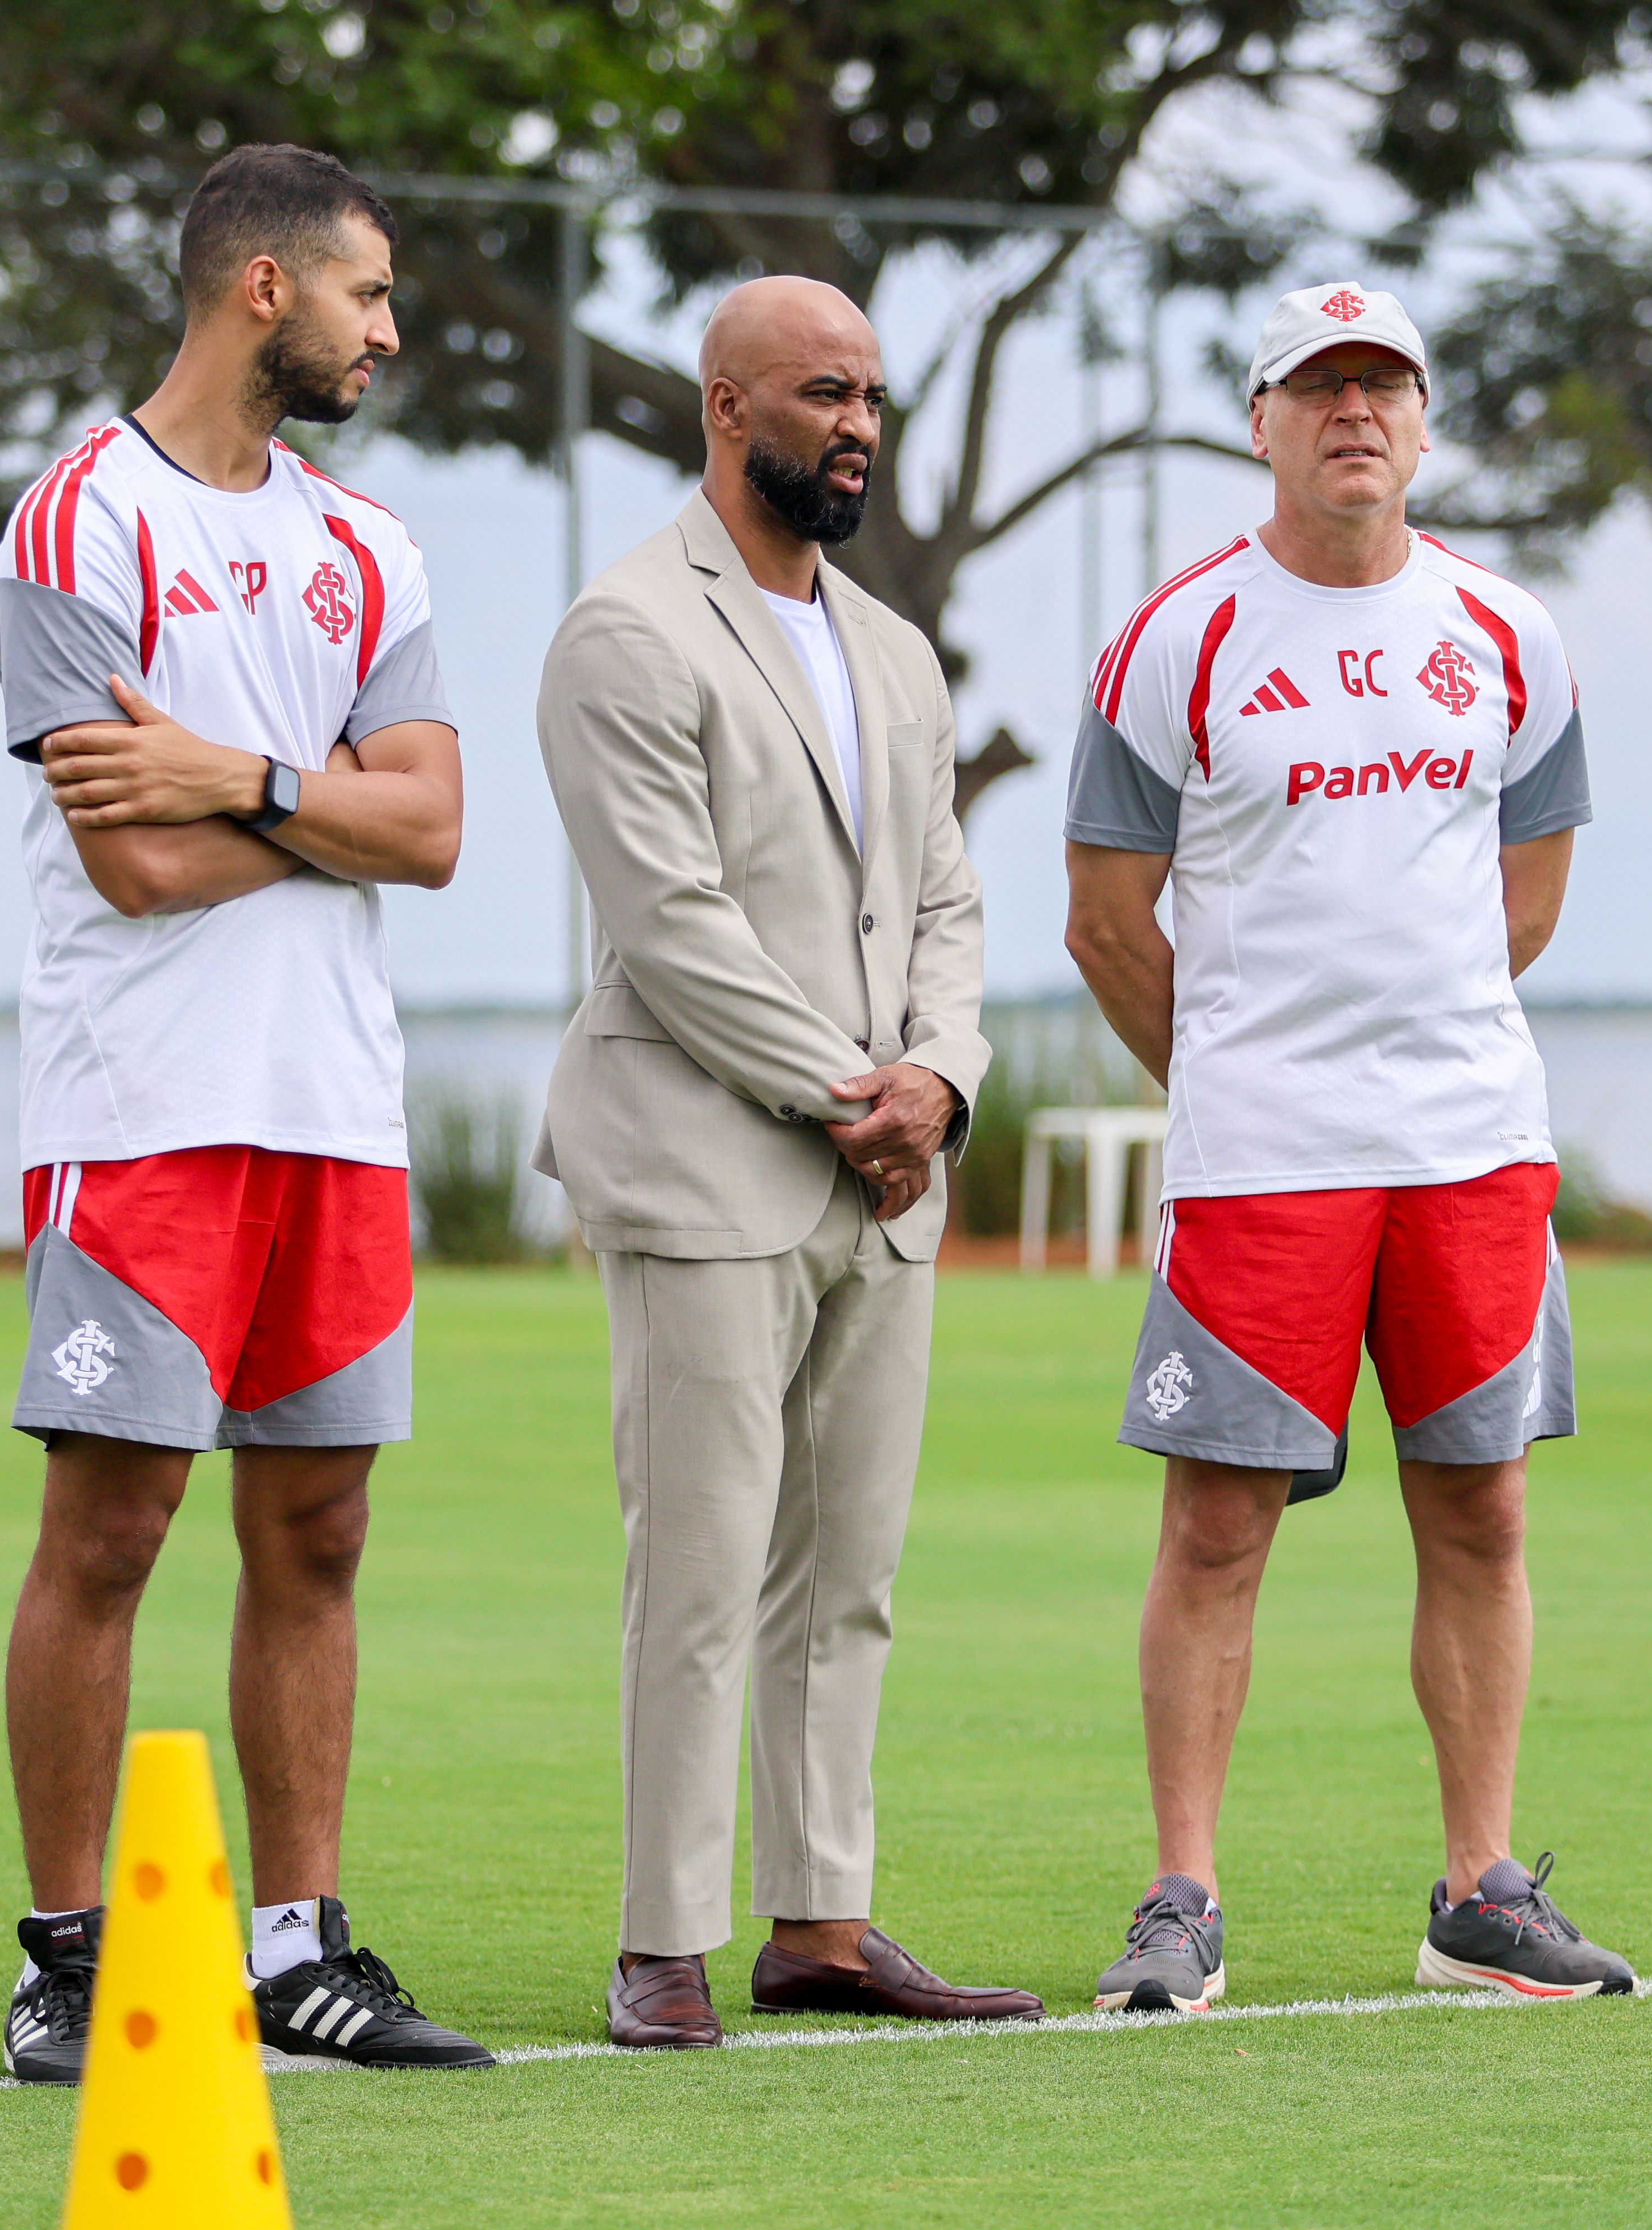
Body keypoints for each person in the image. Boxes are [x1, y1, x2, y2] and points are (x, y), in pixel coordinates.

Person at [1062, 280, 1632, 2013]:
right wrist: (1245, 1073)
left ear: (1423, 422)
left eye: (1383, 384)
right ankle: (1180, 1897)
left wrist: (1408, 1044)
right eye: (1317, 387)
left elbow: (1524, 900)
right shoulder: (1177, 641)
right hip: (1261, 1165)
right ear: (1262, 423)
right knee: (1216, 1527)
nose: (1353, 412)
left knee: (1481, 1510)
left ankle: (1478, 1893)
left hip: (1470, 1149)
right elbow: (1106, 921)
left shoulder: (1508, 633)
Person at [0, 144, 487, 2082]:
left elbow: (433, 831)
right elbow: (134, 869)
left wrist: (234, 773)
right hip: (143, 1112)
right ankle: (67, 1956)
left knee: (322, 1531)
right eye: (369, 293)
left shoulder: (371, 546)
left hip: (333, 1113)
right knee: (111, 1531)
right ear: (263, 286)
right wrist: (325, 803)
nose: (387, 332)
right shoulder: (76, 523)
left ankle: (297, 1951)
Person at [533, 275, 1042, 2049]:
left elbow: (948, 901)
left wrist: (941, 1084)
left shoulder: (893, 651)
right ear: (726, 406)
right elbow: (670, 922)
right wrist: (857, 1097)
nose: (857, 428)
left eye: (872, 399)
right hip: (707, 1166)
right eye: (824, 393)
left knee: (848, 1575)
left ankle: (820, 1920)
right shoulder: (623, 631)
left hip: (882, 1180)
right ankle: (661, 1940)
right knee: (697, 1566)